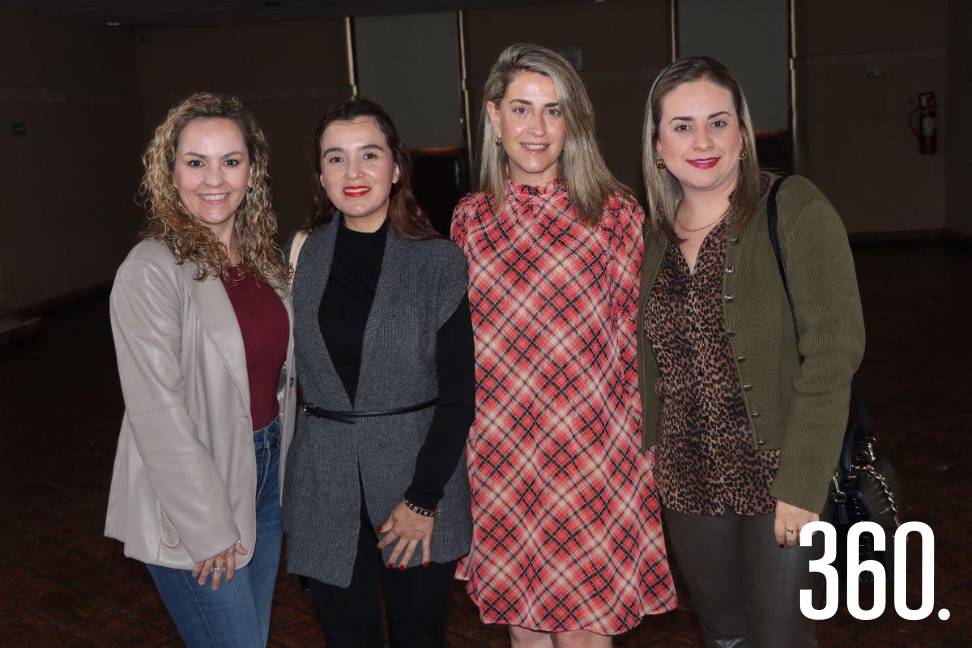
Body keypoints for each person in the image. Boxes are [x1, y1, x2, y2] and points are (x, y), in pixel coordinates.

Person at [451, 43, 676, 647]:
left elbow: (638, 343)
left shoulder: (614, 215)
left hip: (590, 455)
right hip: (500, 455)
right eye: (522, 109)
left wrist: (643, 453)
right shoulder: (469, 221)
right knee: (524, 632)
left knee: (582, 635)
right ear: (495, 119)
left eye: (554, 111)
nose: (537, 127)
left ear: (572, 123)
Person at [638, 56, 865, 647]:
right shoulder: (651, 236)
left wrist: (803, 482)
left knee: (781, 637)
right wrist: (647, 451)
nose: (703, 140)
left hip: (781, 475)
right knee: (723, 634)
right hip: (688, 481)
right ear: (658, 144)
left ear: (742, 130)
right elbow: (645, 358)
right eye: (682, 126)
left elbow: (835, 350)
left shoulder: (791, 207)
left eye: (718, 121)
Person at [281, 98, 474, 648]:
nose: (354, 172)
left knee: (419, 637)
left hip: (417, 482)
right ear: (321, 176)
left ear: (396, 168)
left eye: (369, 154)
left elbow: (459, 396)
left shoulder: (437, 261)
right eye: (336, 158)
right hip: (323, 484)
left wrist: (421, 499)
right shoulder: (301, 256)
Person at [104, 92, 296, 648]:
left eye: (230, 161)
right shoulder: (151, 269)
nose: (214, 179)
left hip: (262, 477)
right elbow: (157, 412)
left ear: (252, 171)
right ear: (170, 171)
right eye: (196, 162)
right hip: (193, 493)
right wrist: (206, 528)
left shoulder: (261, 258)